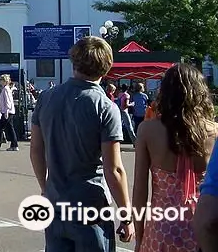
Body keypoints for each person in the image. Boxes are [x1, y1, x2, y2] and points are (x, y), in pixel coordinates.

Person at [30, 36, 134, 251]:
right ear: (106, 67)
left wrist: (45, 186)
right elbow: (113, 168)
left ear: (74, 62)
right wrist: (126, 215)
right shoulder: (105, 106)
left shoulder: (46, 97)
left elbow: (36, 150)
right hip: (90, 205)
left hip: (56, 202)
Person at [133, 63, 216, 251]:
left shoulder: (147, 130)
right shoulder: (215, 133)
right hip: (203, 228)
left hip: (163, 228)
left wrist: (139, 237)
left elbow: (140, 190)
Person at [0, 74, 19, 151]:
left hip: (7, 112)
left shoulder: (5, 89)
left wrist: (6, 111)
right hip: (7, 111)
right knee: (8, 128)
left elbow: (7, 101)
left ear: (4, 81)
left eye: (1, 80)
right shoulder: (6, 89)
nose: (0, 81)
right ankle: (12, 144)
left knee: (2, 128)